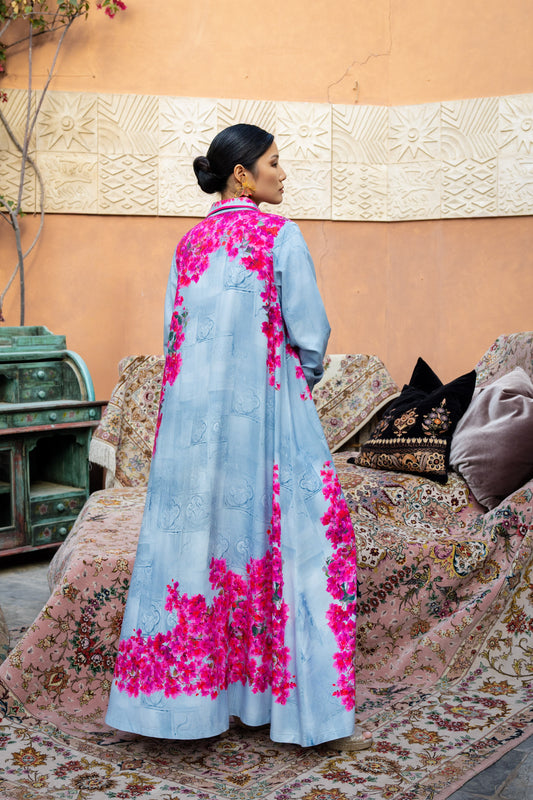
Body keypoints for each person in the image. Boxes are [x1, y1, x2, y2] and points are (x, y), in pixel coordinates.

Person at [105, 124, 371, 750]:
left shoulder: (190, 243)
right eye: (274, 162)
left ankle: (184, 706)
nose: (284, 173)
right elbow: (310, 336)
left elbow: (173, 339)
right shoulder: (281, 236)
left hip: (192, 429)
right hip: (269, 416)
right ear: (242, 174)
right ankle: (288, 706)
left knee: (198, 550)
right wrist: (289, 385)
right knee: (293, 544)